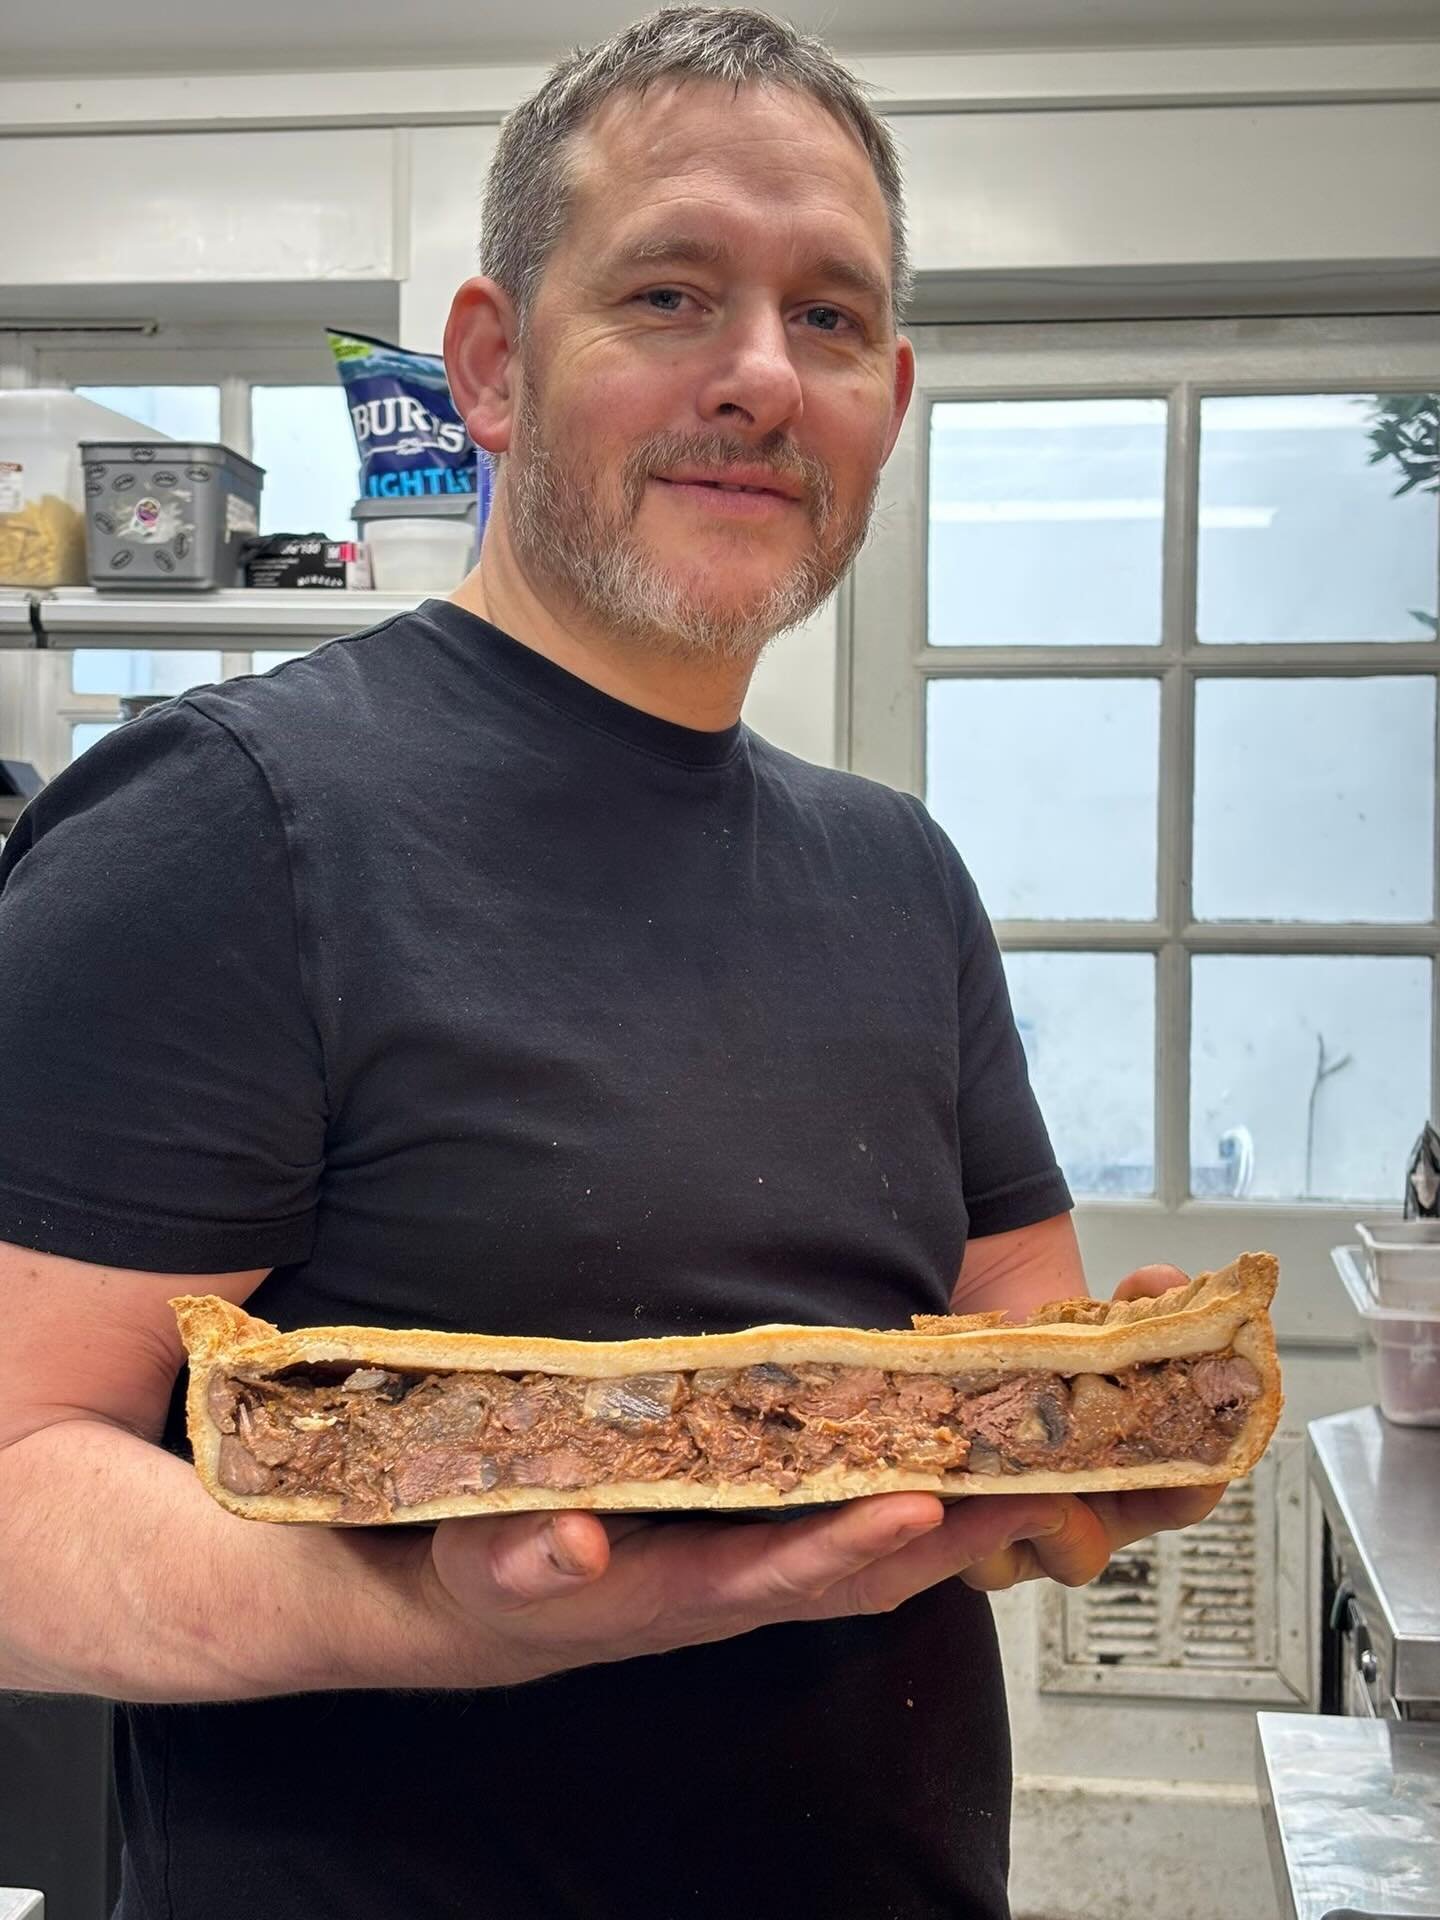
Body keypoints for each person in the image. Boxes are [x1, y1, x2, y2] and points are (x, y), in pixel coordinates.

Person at [0, 11, 1220, 1918]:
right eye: (670, 294)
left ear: (889, 400)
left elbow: (1001, 1410)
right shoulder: (230, 824)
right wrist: (439, 1615)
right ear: (492, 367)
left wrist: (1086, 1466)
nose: (763, 375)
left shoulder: (898, 874)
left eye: (829, 319)